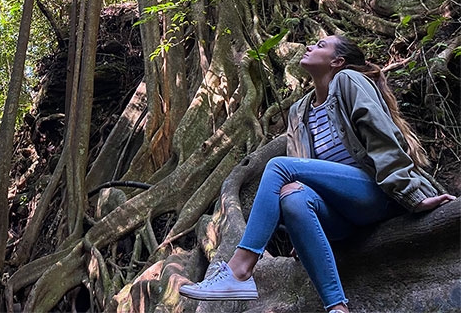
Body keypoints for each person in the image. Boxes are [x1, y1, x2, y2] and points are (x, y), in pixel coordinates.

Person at [178, 35, 456, 313]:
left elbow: (382, 137)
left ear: (337, 61)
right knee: (291, 197)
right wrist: (305, 231)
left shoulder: (349, 80)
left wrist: (411, 193)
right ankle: (337, 307)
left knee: (278, 166)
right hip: (339, 216)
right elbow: (302, 177)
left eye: (321, 45)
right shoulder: (299, 111)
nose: (310, 46)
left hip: (376, 195)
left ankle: (239, 271)